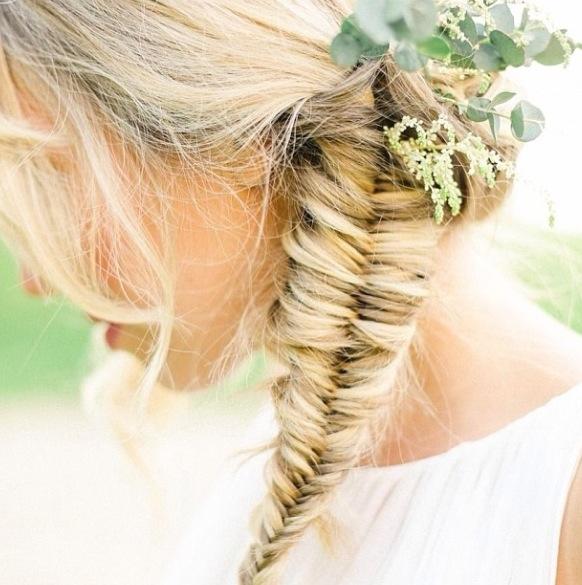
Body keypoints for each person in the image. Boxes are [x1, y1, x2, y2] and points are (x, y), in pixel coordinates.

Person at [1, 1, 582, 584]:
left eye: (56, 180)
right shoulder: (283, 448)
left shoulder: (566, 510)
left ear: (238, 135)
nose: (35, 280)